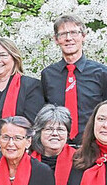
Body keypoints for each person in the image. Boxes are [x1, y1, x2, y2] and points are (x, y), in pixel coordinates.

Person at [40, 15, 107, 145]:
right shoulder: (48, 75)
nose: (68, 38)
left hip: (92, 148)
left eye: (74, 32)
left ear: (83, 36)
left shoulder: (102, 73)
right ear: (56, 39)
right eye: (63, 34)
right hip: (58, 148)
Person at [0, 38, 44, 143]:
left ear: (14, 58)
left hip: (12, 150)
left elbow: (33, 127)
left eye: (3, 55)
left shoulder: (30, 87)